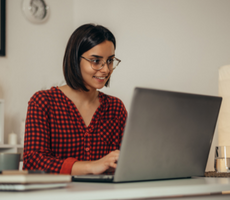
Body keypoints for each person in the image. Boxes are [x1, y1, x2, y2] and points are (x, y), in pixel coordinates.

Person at [23, 24, 127, 175]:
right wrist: (91, 166)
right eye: (96, 61)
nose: (106, 69)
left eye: (110, 61)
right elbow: (33, 161)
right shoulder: (43, 102)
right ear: (75, 60)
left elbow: (128, 161)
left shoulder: (115, 108)